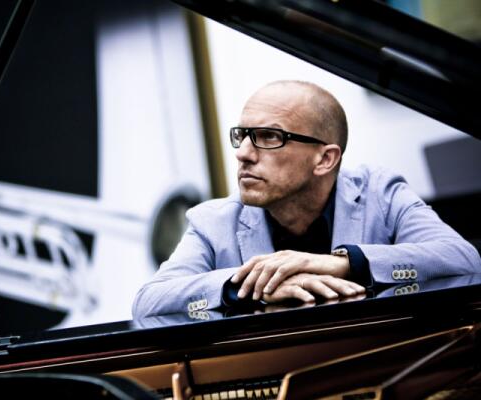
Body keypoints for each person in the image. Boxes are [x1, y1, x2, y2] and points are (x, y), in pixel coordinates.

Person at [132, 80, 481, 318]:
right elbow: (148, 301)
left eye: (269, 136)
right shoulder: (213, 221)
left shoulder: (380, 193)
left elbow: (464, 260)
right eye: (242, 135)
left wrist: (344, 263)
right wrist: (256, 285)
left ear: (325, 159)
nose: (243, 154)